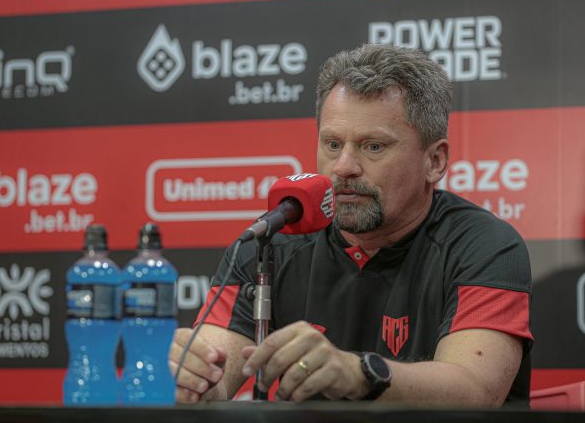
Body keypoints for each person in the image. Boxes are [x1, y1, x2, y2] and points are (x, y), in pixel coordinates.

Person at [169, 44, 533, 406]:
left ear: (435, 161)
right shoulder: (270, 241)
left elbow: (475, 392)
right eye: (332, 144)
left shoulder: (485, 245)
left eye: (373, 146)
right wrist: (195, 381)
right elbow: (215, 378)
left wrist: (360, 373)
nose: (343, 167)